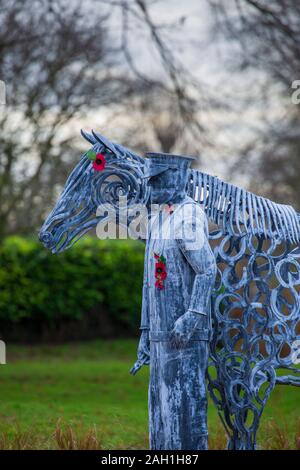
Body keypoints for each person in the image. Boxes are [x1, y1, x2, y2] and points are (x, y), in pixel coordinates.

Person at [130, 152, 217, 450]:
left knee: (185, 415)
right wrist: (145, 331)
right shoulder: (157, 219)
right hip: (159, 336)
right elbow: (147, 282)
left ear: (175, 176)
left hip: (186, 337)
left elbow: (207, 269)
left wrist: (193, 316)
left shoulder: (189, 217)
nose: (149, 189)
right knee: (161, 415)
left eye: (156, 181)